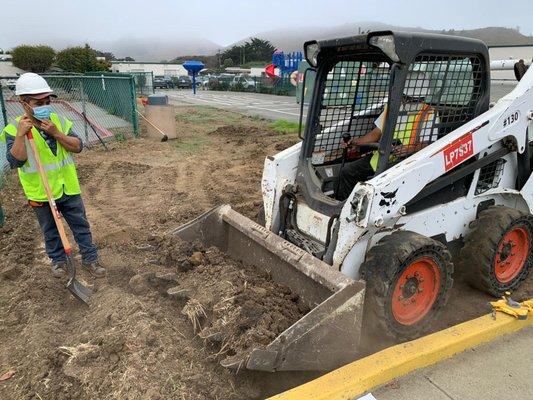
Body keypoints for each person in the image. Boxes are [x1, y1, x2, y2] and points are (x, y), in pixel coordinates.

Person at [0, 73, 106, 278]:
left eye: (47, 101)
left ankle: (90, 259)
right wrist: (21, 135)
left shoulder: (59, 121)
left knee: (81, 226)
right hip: (40, 193)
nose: (44, 105)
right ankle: (58, 262)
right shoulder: (14, 129)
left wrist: (56, 133)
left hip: (68, 187)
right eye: (38, 102)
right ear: (24, 103)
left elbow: (77, 146)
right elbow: (16, 161)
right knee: (50, 231)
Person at [336, 75, 438, 201]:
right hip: (381, 157)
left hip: (406, 163)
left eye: (417, 99)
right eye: (410, 99)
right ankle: (344, 206)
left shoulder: (429, 114)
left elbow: (428, 143)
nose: (413, 102)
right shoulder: (392, 108)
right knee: (347, 171)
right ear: (404, 95)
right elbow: (376, 133)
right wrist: (355, 142)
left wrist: (409, 149)